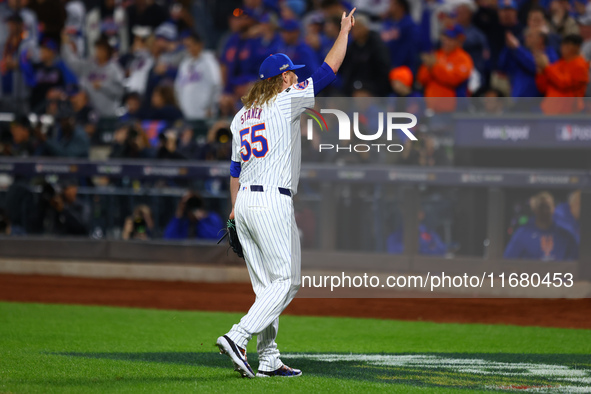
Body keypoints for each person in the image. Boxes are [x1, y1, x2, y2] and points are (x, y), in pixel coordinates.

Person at [215, 8, 356, 379]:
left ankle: (269, 357)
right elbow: (329, 70)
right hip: (272, 200)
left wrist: (233, 211)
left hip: (244, 200)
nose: (295, 76)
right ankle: (237, 336)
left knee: (267, 286)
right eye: (290, 72)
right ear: (279, 79)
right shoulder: (285, 99)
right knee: (288, 281)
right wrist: (344, 32)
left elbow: (234, 170)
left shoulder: (239, 116)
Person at [61, 33, 125, 117]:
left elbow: (120, 92)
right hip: (88, 114)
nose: (99, 51)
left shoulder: (115, 69)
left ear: (109, 51)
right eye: (98, 48)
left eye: (103, 49)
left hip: (108, 115)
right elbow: (71, 61)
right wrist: (65, 44)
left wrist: (103, 85)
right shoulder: (89, 66)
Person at [504, 191, 578, 261]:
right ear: (535, 209)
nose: (545, 211)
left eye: (548, 207)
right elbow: (508, 259)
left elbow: (575, 260)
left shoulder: (565, 234)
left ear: (553, 209)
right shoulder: (522, 233)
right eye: (541, 207)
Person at [417, 24, 474, 112]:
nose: (445, 41)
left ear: (459, 41)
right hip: (430, 107)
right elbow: (422, 78)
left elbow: (453, 79)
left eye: (450, 39)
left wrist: (434, 67)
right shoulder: (437, 54)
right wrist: (430, 67)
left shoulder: (463, 58)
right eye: (445, 38)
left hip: (452, 110)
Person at [535, 34, 590, 114]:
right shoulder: (558, 64)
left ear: (577, 47)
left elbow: (564, 84)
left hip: (569, 112)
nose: (563, 48)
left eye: (568, 45)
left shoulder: (581, 66)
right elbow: (543, 88)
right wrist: (540, 72)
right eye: (563, 44)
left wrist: (546, 67)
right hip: (549, 111)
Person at [497, 27, 559, 97]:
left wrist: (516, 48)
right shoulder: (522, 53)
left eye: (530, 35)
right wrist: (508, 46)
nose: (526, 38)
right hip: (518, 102)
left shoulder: (550, 53)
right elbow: (502, 66)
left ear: (540, 39)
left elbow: (535, 66)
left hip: (537, 102)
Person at [174, 31, 222, 119]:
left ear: (200, 44)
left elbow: (216, 84)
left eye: (191, 45)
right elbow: (178, 87)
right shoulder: (185, 64)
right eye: (187, 46)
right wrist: (181, 106)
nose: (189, 49)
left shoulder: (209, 61)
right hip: (187, 112)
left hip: (206, 112)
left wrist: (212, 106)